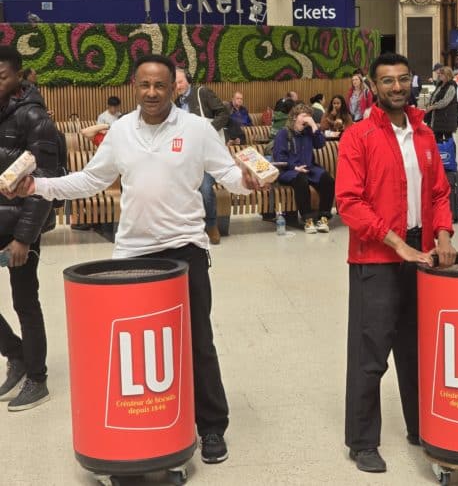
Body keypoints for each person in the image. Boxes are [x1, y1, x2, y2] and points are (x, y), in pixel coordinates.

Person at [4, 54, 262, 463]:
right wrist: (38, 185)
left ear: (173, 87)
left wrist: (248, 182)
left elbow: (230, 176)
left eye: (160, 85)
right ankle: (146, 423)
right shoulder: (120, 130)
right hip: (133, 252)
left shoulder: (197, 130)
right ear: (134, 86)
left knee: (197, 341)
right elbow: (91, 179)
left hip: (184, 250)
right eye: (145, 85)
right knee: (135, 345)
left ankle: (212, 427)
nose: (152, 92)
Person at [336, 52, 456, 473]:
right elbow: (349, 202)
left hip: (422, 253)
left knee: (416, 348)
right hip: (377, 256)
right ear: (373, 86)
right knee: (371, 353)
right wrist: (396, 244)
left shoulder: (423, 133)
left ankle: (418, 427)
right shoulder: (358, 136)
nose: (397, 88)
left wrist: (442, 235)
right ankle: (363, 441)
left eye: (403, 79)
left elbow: (440, 193)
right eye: (387, 81)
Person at [0, 46, 60, 412]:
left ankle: (37, 378)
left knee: (24, 300)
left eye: (1, 75)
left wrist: (23, 237)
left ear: (19, 76)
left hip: (21, 226)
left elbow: (46, 181)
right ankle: (17, 354)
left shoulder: (34, 117)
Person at [174, 67, 236, 244]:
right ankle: (189, 227)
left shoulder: (202, 93)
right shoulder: (176, 104)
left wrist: (207, 130)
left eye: (181, 81)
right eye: (175, 83)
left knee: (205, 188)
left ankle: (211, 225)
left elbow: (224, 113)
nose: (178, 86)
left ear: (188, 80)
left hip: (208, 155)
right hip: (188, 155)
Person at [273, 103, 333, 234]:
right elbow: (279, 158)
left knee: (327, 179)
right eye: (304, 116)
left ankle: (323, 219)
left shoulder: (308, 132)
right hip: (289, 171)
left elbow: (320, 143)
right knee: (301, 180)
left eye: (309, 116)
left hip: (309, 169)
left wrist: (313, 126)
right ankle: (308, 220)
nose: (307, 119)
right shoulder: (283, 134)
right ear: (295, 117)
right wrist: (294, 167)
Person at [424, 65, 458, 143]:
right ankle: (439, 155)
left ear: (447, 75)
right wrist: (430, 104)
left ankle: (451, 154)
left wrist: (432, 107)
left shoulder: (451, 86)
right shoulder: (440, 84)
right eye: (439, 73)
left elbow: (445, 101)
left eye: (442, 73)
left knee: (448, 140)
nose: (439, 75)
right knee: (437, 140)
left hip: (446, 118)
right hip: (438, 118)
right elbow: (435, 97)